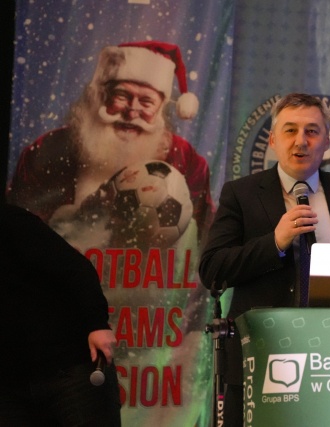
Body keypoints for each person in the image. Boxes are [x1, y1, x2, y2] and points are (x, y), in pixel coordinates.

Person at [199, 92, 330, 426]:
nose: (301, 141)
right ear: (273, 140)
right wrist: (275, 242)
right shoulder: (241, 194)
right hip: (262, 354)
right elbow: (213, 270)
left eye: (312, 131)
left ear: (327, 141)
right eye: (290, 130)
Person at [7, 40, 215, 249]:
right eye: (122, 96)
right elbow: (17, 233)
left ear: (161, 108)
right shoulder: (46, 150)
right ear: (99, 95)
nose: (132, 111)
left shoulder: (186, 159)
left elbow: (207, 238)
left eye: (146, 102)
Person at [0, 202, 121, 426]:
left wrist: (97, 324)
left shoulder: (9, 221)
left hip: (69, 367)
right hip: (12, 382)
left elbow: (74, 268)